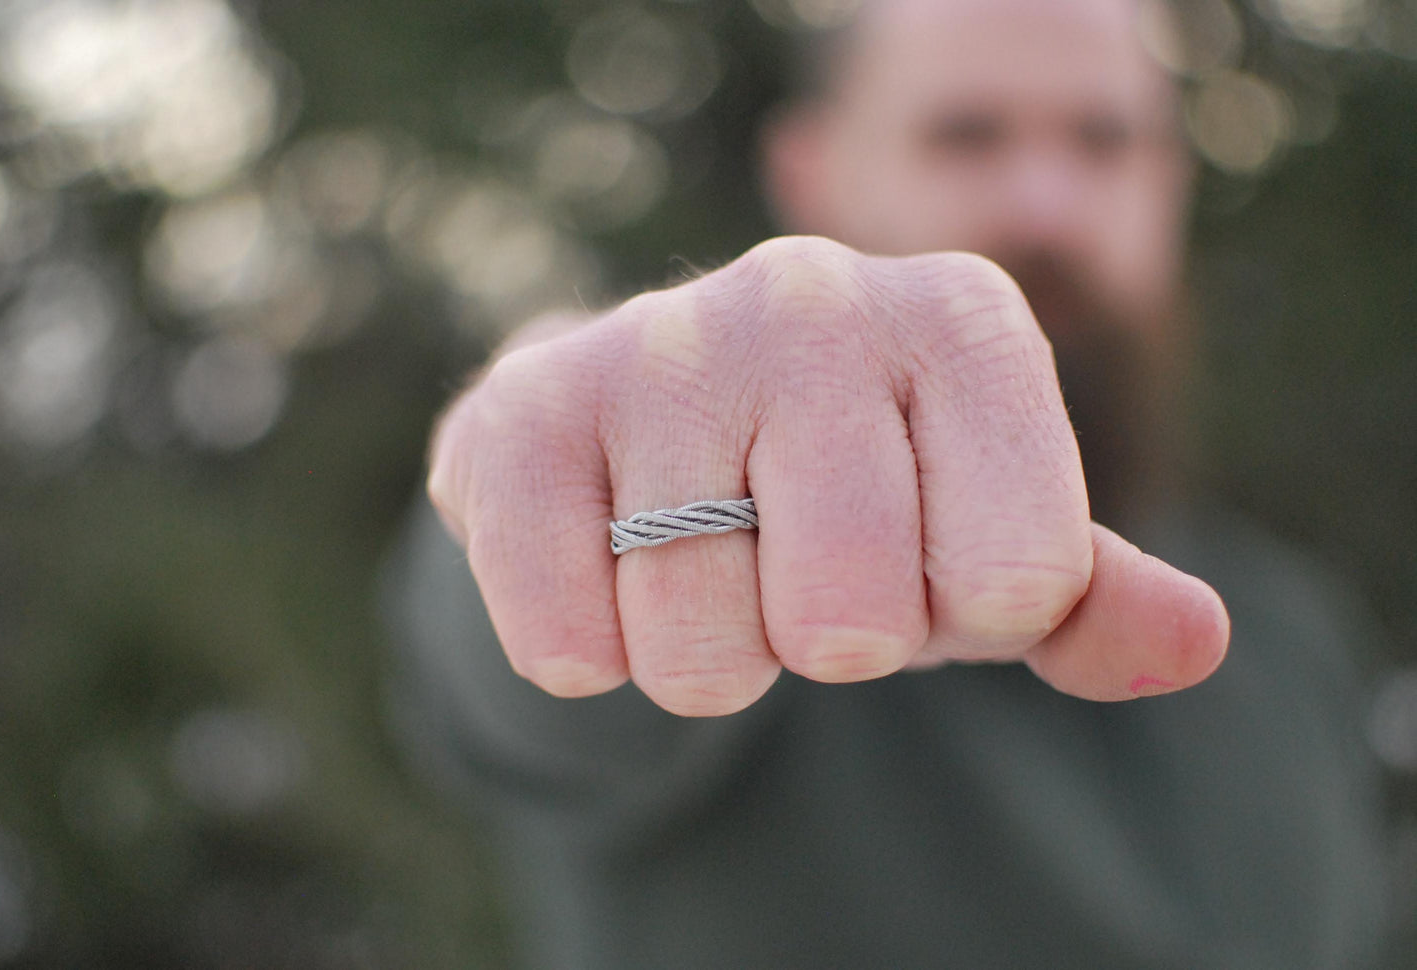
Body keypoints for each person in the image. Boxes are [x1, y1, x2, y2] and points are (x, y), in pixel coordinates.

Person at [386, 0, 1394, 966]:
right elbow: (532, 667)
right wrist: (556, 431)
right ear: (810, 174)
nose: (1044, 204)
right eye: (964, 136)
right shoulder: (721, 595)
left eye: (1103, 141)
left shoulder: (1287, 633)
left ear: (1170, 181)